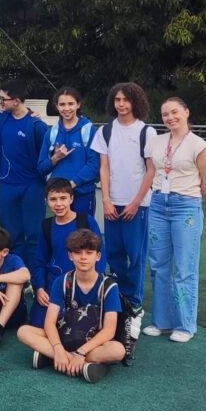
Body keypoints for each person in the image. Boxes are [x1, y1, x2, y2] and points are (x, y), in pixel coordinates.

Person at [144, 97, 206, 343]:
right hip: (157, 205)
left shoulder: (199, 145)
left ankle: (185, 325)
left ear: (186, 112)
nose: (170, 118)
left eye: (175, 112)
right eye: (165, 114)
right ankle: (161, 322)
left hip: (186, 206)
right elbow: (152, 171)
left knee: (184, 268)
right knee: (158, 265)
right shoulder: (156, 142)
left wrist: (193, 201)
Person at [90, 82, 157, 336]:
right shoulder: (105, 131)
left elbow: (151, 169)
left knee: (135, 255)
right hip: (112, 202)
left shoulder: (146, 132)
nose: (121, 104)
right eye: (117, 99)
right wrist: (106, 199)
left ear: (135, 102)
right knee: (114, 252)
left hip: (137, 204)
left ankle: (134, 304)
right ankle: (117, 301)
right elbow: (103, 167)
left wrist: (136, 201)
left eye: (125, 100)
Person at [16, 229, 125, 383]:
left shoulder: (109, 286)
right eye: (78, 252)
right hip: (66, 335)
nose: (83, 257)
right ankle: (82, 364)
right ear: (70, 256)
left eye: (89, 252)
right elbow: (49, 322)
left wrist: (81, 352)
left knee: (118, 350)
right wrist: (59, 348)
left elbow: (109, 330)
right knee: (23, 331)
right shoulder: (62, 281)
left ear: (98, 256)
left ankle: (51, 358)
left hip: (93, 343)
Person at [0, 79, 48, 300]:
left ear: (16, 101)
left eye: (3, 99)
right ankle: (16, 278)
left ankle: (35, 280)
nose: (0, 102)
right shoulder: (2, 119)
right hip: (7, 186)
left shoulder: (36, 125)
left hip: (32, 185)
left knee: (33, 235)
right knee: (11, 235)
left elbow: (51, 148)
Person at [29, 178, 105, 327]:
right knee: (36, 325)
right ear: (46, 201)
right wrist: (39, 288)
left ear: (71, 198)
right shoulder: (47, 225)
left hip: (82, 286)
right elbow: (39, 260)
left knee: (81, 325)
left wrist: (92, 287)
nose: (58, 204)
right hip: (54, 286)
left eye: (63, 198)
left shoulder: (86, 221)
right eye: (53, 199)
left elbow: (99, 258)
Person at [38, 87, 100, 216]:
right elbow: (41, 168)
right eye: (62, 104)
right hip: (58, 199)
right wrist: (55, 158)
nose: (66, 108)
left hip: (83, 194)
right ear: (56, 106)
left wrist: (70, 185)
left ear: (78, 104)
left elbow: (94, 165)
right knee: (61, 234)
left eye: (71, 104)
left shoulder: (89, 130)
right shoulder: (52, 132)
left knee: (83, 234)